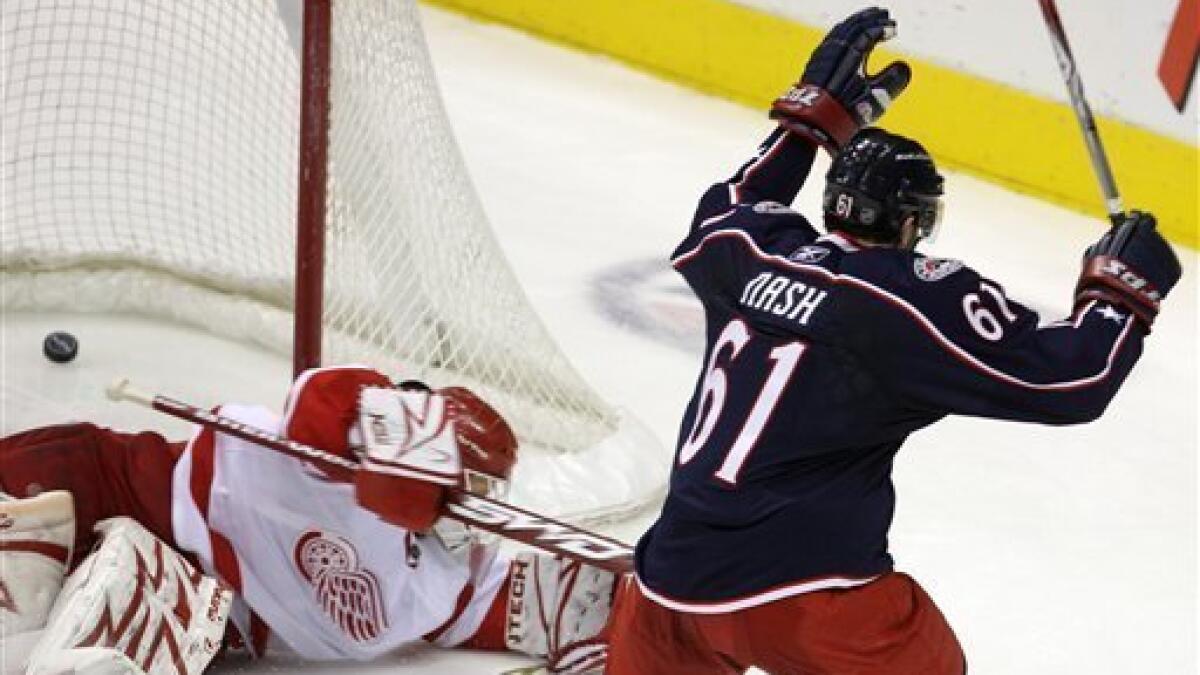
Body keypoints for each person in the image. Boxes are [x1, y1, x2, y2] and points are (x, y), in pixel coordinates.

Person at [605, 7, 1182, 675]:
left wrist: (808, 124)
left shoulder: (750, 251)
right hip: (810, 602)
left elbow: (730, 201)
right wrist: (1119, 296)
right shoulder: (903, 300)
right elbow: (1071, 380)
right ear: (912, 222)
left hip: (670, 588)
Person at [0, 365, 617, 674]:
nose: (471, 508)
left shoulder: (437, 580)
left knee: (101, 612)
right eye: (470, 484)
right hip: (107, 485)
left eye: (488, 491)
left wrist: (631, 629)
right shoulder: (325, 460)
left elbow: (557, 599)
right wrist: (390, 436)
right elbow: (321, 401)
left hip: (187, 605)